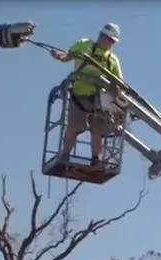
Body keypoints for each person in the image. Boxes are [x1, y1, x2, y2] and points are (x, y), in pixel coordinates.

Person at [49, 23, 124, 166]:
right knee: (73, 127)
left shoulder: (112, 60)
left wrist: (117, 102)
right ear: (102, 36)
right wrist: (58, 56)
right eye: (110, 40)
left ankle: (96, 160)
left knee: (97, 132)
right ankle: (64, 155)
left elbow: (119, 83)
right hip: (79, 95)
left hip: (99, 101)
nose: (111, 44)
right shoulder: (84, 45)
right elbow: (67, 56)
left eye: (113, 42)